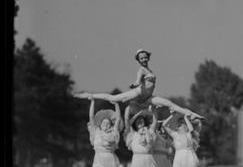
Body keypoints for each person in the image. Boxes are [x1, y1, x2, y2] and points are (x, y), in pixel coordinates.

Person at [74, 49, 204, 120]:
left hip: (148, 98)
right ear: (139, 60)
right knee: (113, 98)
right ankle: (89, 95)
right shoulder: (141, 70)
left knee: (169, 103)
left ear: (148, 57)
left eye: (145, 57)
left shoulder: (150, 70)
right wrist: (135, 84)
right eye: (141, 58)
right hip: (138, 93)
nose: (144, 59)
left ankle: (190, 113)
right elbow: (137, 80)